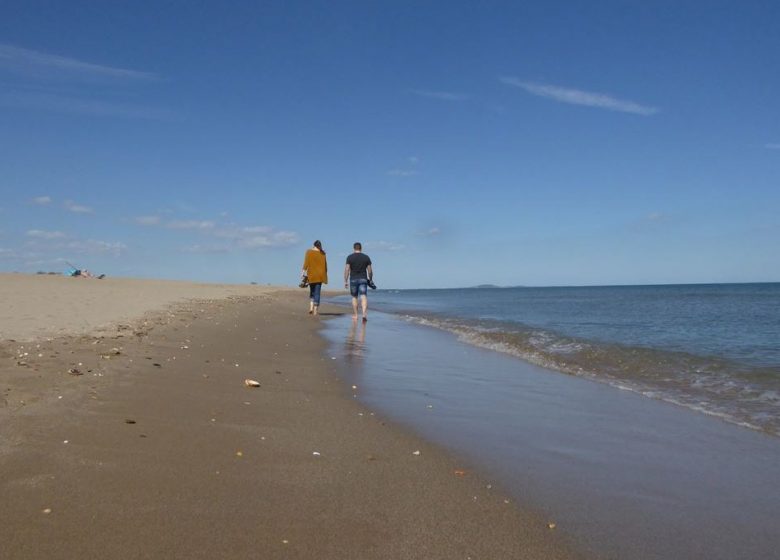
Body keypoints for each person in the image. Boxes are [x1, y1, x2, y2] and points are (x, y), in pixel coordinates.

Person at [344, 242, 373, 322]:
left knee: (354, 297)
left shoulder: (349, 257)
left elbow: (347, 269)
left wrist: (345, 281)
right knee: (363, 296)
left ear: (354, 248)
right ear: (361, 248)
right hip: (363, 279)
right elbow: (370, 270)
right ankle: (364, 314)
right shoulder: (366, 257)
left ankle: (356, 315)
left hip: (353, 279)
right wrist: (370, 279)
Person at [301, 240, 328, 315]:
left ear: (314, 245)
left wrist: (303, 272)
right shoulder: (323, 253)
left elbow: (306, 262)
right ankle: (315, 310)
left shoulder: (309, 252)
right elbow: (325, 266)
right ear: (320, 246)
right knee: (317, 292)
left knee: (312, 291)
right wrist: (325, 275)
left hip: (311, 275)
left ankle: (311, 308)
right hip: (320, 275)